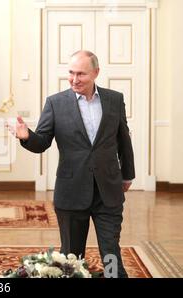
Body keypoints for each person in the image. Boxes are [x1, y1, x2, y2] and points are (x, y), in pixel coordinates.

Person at [10, 50, 135, 278]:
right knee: (71, 258)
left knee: (111, 255)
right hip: (71, 191)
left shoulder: (114, 100)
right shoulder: (56, 103)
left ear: (96, 73)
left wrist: (127, 175)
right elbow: (43, 142)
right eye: (71, 73)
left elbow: (123, 139)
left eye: (81, 74)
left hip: (108, 189)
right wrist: (27, 136)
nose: (74, 79)